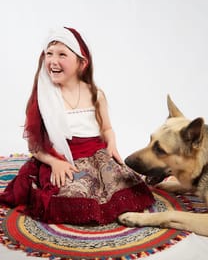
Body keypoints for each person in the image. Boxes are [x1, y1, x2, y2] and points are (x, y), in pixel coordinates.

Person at [0, 27, 154, 225]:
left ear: (82, 63)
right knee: (71, 192)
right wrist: (55, 163)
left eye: (62, 54)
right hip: (62, 157)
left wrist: (112, 145)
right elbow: (35, 146)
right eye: (49, 54)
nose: (53, 61)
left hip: (97, 155)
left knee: (122, 184)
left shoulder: (95, 94)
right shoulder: (43, 98)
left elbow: (106, 128)